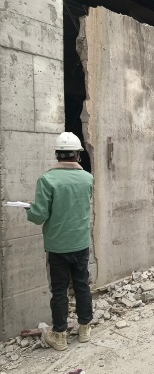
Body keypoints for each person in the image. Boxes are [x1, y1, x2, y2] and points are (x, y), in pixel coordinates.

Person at [26, 132, 94, 351]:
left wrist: (30, 209)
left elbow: (39, 216)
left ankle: (60, 335)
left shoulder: (47, 180)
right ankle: (84, 329)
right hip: (81, 243)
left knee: (59, 291)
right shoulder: (88, 178)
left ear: (57, 154)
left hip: (57, 246)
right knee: (82, 285)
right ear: (77, 155)